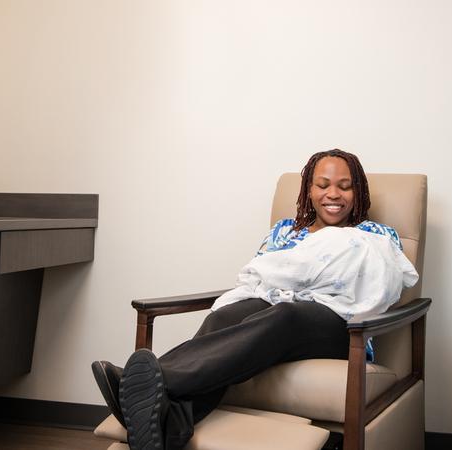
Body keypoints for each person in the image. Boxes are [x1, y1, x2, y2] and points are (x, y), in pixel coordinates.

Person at [92, 149, 411, 450]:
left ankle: (151, 381)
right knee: (224, 317)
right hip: (272, 315)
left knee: (287, 314)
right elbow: (261, 278)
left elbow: (383, 286)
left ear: (358, 192)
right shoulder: (285, 231)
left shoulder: (376, 234)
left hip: (340, 327)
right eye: (323, 185)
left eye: (344, 186)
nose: (333, 194)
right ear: (309, 191)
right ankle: (171, 423)